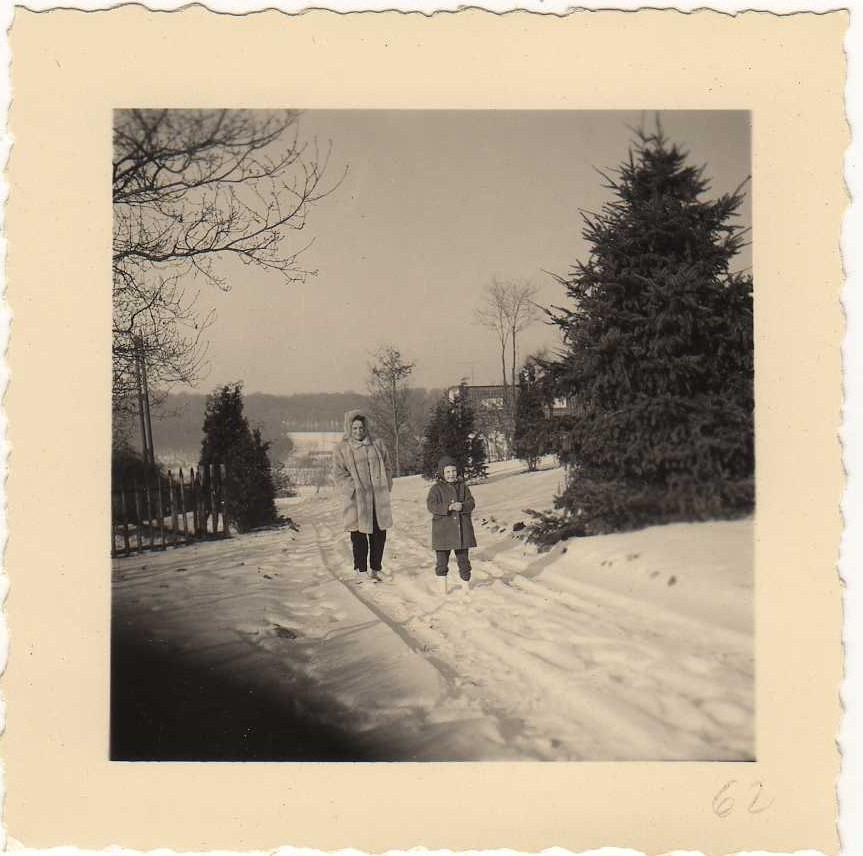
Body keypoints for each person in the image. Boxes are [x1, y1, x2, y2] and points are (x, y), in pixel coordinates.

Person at [331, 410, 393, 583]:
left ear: (366, 428)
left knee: (379, 534)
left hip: (377, 499)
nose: (359, 431)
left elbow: (388, 465)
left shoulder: (377, 444)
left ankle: (376, 569)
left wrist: (386, 483)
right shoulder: (342, 449)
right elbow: (338, 474)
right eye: (355, 428)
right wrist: (353, 487)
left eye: (361, 428)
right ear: (349, 429)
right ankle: (361, 570)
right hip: (356, 501)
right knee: (358, 536)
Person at [426, 455, 477, 595]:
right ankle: (443, 590)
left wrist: (463, 506)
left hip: (461, 531)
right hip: (443, 532)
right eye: (447, 472)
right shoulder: (436, 489)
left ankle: (466, 588)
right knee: (442, 562)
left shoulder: (463, 487)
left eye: (453, 471)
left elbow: (471, 503)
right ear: (442, 473)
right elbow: (431, 505)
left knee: (464, 561)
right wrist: (447, 507)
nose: (451, 474)